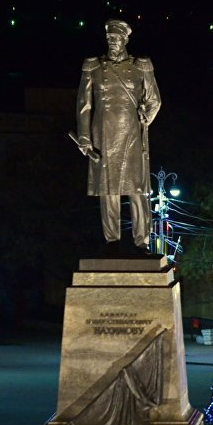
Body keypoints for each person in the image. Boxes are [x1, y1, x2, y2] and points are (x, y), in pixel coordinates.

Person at [76, 19, 162, 255]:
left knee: (137, 190)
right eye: (109, 39)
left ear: (125, 39)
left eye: (116, 38)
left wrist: (147, 115)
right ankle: (112, 240)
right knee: (109, 190)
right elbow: (84, 105)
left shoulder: (141, 66)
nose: (112, 42)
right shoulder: (93, 67)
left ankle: (141, 242)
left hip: (132, 134)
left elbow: (154, 99)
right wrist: (84, 137)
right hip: (102, 135)